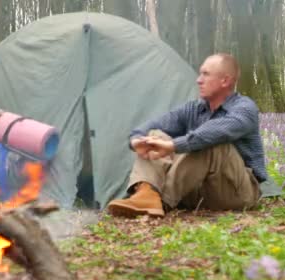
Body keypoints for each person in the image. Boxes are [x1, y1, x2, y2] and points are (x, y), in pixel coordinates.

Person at [107, 53, 267, 218]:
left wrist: (173, 146)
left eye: (206, 74)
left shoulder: (245, 109)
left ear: (225, 81)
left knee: (210, 143)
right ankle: (146, 194)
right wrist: (137, 140)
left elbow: (216, 131)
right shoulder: (194, 109)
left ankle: (160, 199)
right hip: (197, 192)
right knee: (155, 135)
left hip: (237, 193)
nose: (198, 80)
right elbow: (152, 126)